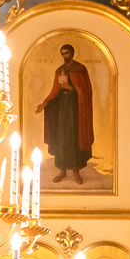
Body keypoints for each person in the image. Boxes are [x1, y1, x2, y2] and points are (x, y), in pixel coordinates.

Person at [41, 45, 95, 183]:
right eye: (63, 53)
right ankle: (62, 171)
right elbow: (54, 91)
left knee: (74, 138)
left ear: (72, 53)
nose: (65, 56)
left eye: (67, 53)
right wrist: (45, 102)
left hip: (76, 110)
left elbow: (86, 91)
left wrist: (70, 88)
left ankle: (76, 171)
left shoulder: (80, 69)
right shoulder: (59, 70)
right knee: (62, 137)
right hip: (62, 110)